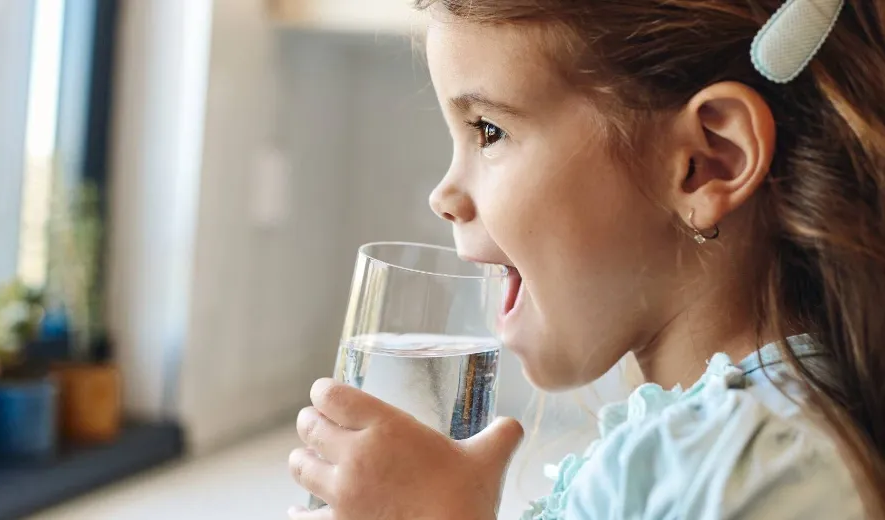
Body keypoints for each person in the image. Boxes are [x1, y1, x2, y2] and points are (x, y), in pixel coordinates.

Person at [288, 0, 885, 518]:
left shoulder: (754, 470)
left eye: (489, 130)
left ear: (708, 162)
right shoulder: (706, 449)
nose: (442, 196)